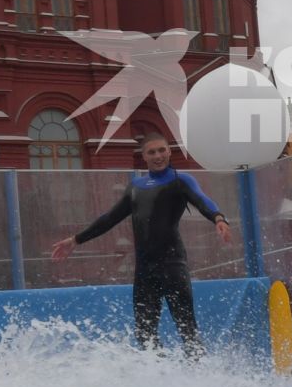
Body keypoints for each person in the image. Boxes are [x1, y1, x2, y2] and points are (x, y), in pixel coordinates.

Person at [50, 131, 230, 357]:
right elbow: (109, 218)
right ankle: (161, 378)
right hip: (145, 270)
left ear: (169, 151)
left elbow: (202, 200)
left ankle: (199, 376)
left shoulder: (180, 180)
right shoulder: (136, 186)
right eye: (151, 152)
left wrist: (218, 218)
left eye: (162, 150)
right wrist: (76, 239)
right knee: (145, 334)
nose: (158, 156)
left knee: (187, 329)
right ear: (143, 156)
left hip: (173, 265)